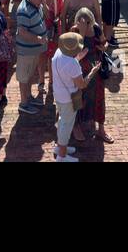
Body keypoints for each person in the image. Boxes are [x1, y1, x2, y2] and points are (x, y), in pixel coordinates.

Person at [73, 8, 112, 144]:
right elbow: (74, 51)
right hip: (80, 70)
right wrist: (82, 33)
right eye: (84, 22)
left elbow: (104, 42)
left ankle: (101, 129)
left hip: (96, 68)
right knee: (79, 97)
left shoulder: (96, 28)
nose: (87, 24)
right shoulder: (74, 31)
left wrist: (104, 47)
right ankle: (76, 126)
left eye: (89, 21)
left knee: (99, 97)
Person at [51, 33, 88, 161]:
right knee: (66, 126)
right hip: (69, 99)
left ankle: (60, 147)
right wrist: (93, 72)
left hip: (58, 94)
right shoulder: (73, 64)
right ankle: (61, 156)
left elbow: (65, 68)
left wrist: (78, 58)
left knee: (62, 121)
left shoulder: (57, 53)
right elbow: (82, 84)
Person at [14, 0, 48, 114]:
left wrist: (43, 4)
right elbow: (22, 32)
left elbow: (45, 15)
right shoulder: (24, 10)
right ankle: (23, 103)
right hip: (26, 51)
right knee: (23, 77)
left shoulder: (35, 4)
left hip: (34, 50)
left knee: (28, 75)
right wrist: (38, 39)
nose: (42, 0)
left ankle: (28, 98)